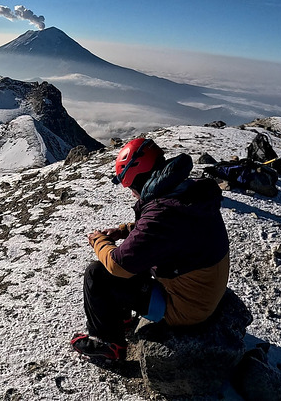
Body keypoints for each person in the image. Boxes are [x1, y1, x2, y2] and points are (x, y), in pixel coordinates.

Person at [70, 137, 230, 362]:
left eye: (129, 186)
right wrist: (124, 231)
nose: (131, 192)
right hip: (203, 292)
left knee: (98, 274)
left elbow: (118, 265)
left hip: (185, 309)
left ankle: (108, 345)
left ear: (137, 178)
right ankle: (122, 319)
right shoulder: (186, 192)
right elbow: (169, 231)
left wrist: (98, 241)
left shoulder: (162, 212)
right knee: (138, 258)